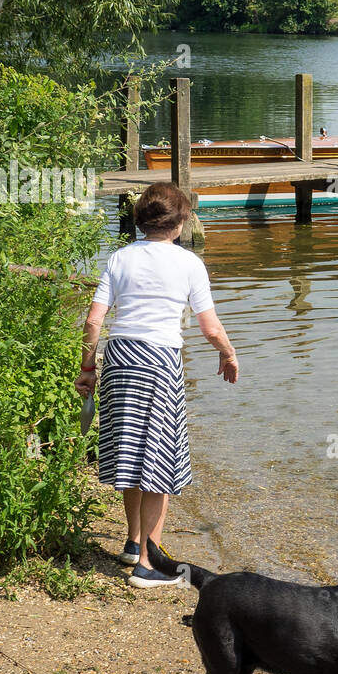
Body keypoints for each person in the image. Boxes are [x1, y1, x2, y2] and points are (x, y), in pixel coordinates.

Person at [75, 183, 239, 587]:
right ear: (180, 222)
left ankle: (133, 542)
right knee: (159, 462)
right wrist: (229, 354)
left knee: (131, 452)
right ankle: (149, 565)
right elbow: (209, 326)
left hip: (118, 358)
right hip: (158, 363)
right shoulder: (188, 264)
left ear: (141, 220)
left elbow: (94, 320)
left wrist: (88, 367)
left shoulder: (118, 258)